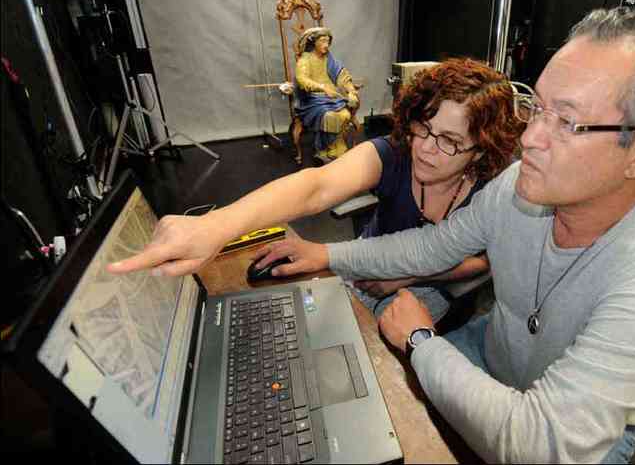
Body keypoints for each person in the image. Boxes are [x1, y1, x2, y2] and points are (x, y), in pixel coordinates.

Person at [250, 6, 635, 463]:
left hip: (569, 442)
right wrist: (327, 256)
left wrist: (419, 341)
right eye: (536, 108)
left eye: (567, 122)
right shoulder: (518, 188)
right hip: (486, 355)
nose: (530, 137)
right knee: (369, 413)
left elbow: (543, 442)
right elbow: (430, 246)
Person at [107, 58, 524, 323]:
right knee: (313, 323)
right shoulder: (395, 153)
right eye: (423, 127)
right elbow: (315, 186)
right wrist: (215, 226)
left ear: (481, 147)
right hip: (364, 264)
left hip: (430, 285)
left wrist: (407, 275)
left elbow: (481, 261)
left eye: (449, 141)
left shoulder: (494, 189)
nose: (426, 148)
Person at [294, 26, 360, 162]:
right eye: (323, 41)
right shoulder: (305, 60)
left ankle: (338, 145)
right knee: (330, 116)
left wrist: (351, 90)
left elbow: (342, 76)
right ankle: (325, 148)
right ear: (314, 42)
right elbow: (302, 79)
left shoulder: (329, 58)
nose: (326, 45)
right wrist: (322, 87)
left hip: (332, 98)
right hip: (312, 100)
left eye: (328, 41)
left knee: (345, 114)